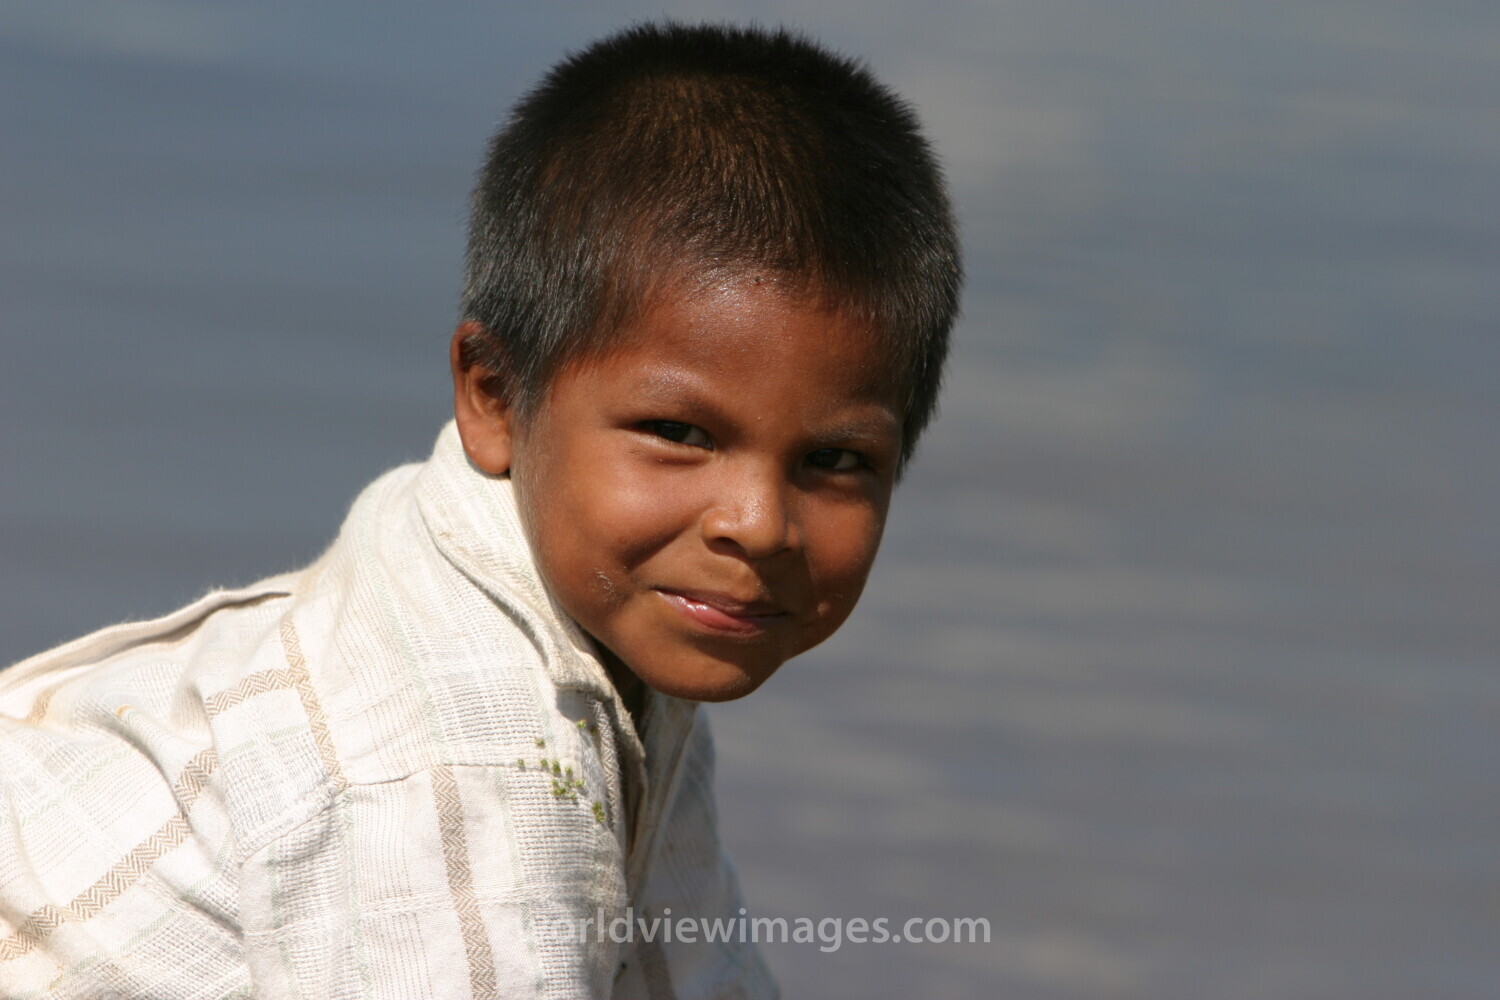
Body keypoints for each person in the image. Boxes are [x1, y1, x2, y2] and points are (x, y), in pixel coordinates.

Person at [0, 22, 960, 999]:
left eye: (834, 460)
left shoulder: (631, 632)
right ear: (495, 397)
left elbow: (693, 969)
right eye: (678, 433)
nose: (756, 524)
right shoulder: (455, 754)